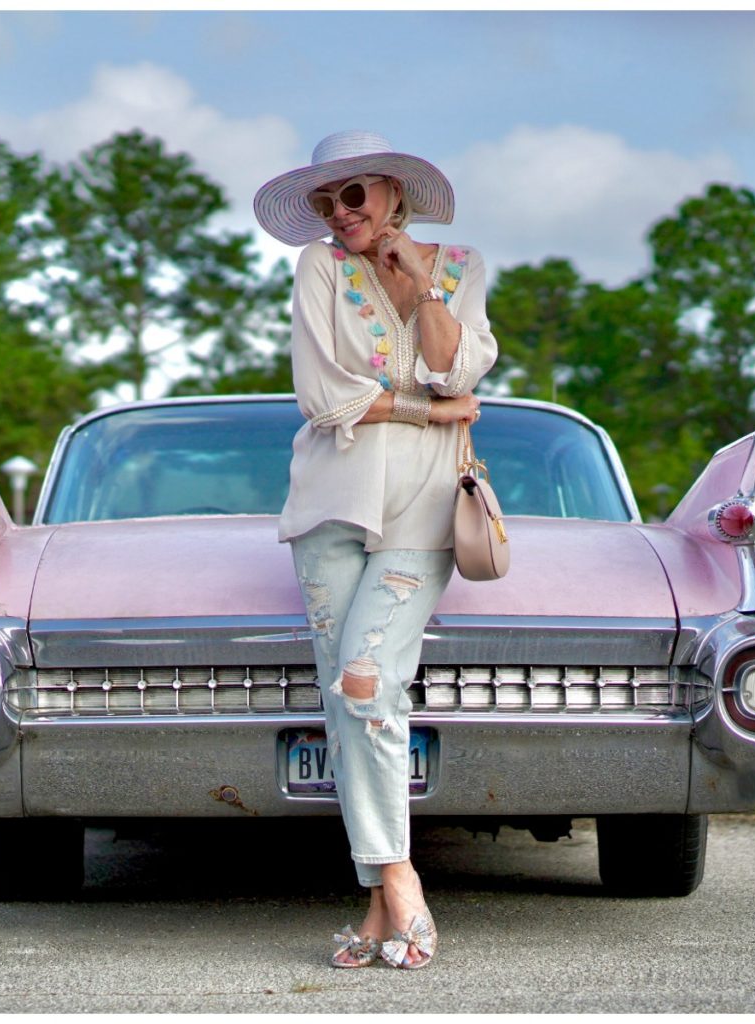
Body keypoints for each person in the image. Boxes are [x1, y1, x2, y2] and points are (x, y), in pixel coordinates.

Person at [253, 130, 498, 969]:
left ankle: (395, 886)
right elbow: (324, 396)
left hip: (425, 510)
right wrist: (428, 413)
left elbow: (453, 367)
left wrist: (423, 285)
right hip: (330, 504)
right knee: (357, 700)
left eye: (353, 197)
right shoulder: (319, 268)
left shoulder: (461, 266)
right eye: (326, 203)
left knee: (362, 683)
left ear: (394, 193)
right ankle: (387, 895)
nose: (339, 214)